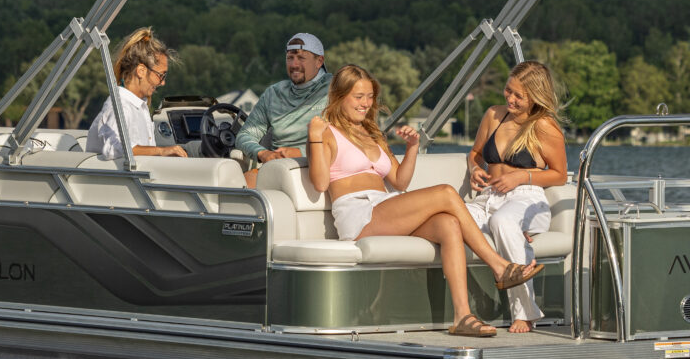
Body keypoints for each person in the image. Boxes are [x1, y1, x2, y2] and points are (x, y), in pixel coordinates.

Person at [306, 64, 539, 338]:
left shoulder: (372, 133)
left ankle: (462, 316)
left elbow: (399, 181)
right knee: (445, 193)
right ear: (339, 96)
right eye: (358, 97)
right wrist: (313, 137)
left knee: (448, 224)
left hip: (383, 205)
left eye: (370, 97)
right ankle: (499, 267)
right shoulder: (326, 133)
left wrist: (413, 147)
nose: (366, 104)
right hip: (358, 214)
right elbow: (321, 183)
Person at [467, 60, 569, 334]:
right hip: (487, 198)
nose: (510, 99)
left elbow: (560, 174)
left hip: (527, 198)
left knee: (503, 222)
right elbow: (475, 153)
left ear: (534, 97)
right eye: (508, 91)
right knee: (452, 218)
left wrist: (520, 176)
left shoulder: (544, 127)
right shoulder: (493, 115)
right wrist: (474, 169)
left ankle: (525, 313)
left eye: (518, 96)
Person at [235, 31, 330, 188]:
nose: (294, 65)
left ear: (319, 61)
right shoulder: (274, 94)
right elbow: (244, 135)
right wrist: (262, 153)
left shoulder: (337, 89)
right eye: (290, 58)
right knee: (241, 184)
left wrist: (302, 152)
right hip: (280, 168)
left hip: (323, 165)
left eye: (301, 58)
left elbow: (350, 138)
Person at [85, 27, 190, 161]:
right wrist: (162, 151)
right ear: (141, 71)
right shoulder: (119, 105)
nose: (162, 83)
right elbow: (113, 148)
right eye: (160, 75)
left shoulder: (139, 107)